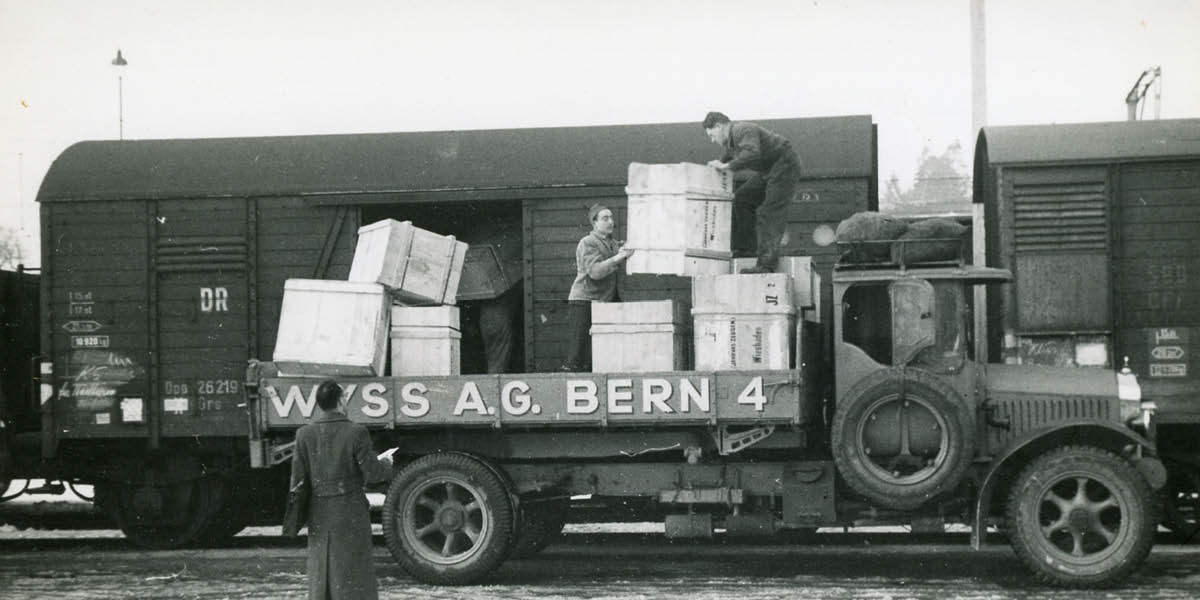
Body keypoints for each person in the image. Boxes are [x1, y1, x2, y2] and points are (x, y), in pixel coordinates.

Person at [288, 380, 393, 600]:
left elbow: (298, 481)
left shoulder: (304, 434)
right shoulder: (356, 432)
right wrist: (387, 463)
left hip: (319, 512)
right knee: (353, 571)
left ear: (319, 404)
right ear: (341, 400)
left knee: (322, 569)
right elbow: (373, 475)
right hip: (350, 510)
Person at [703, 111, 803, 273]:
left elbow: (752, 152)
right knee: (741, 199)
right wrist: (719, 164)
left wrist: (727, 166)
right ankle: (745, 250)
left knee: (770, 211)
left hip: (784, 165)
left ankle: (766, 265)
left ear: (719, 126)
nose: (712, 140)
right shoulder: (732, 142)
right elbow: (727, 156)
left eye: (712, 135)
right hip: (769, 170)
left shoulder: (742, 129)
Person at [562, 204, 633, 371]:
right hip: (584, 302)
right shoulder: (588, 243)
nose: (610, 222)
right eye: (605, 218)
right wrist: (618, 258)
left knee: (605, 350)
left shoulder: (613, 244)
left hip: (605, 301)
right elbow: (595, 271)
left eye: (611, 218)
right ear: (594, 223)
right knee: (579, 352)